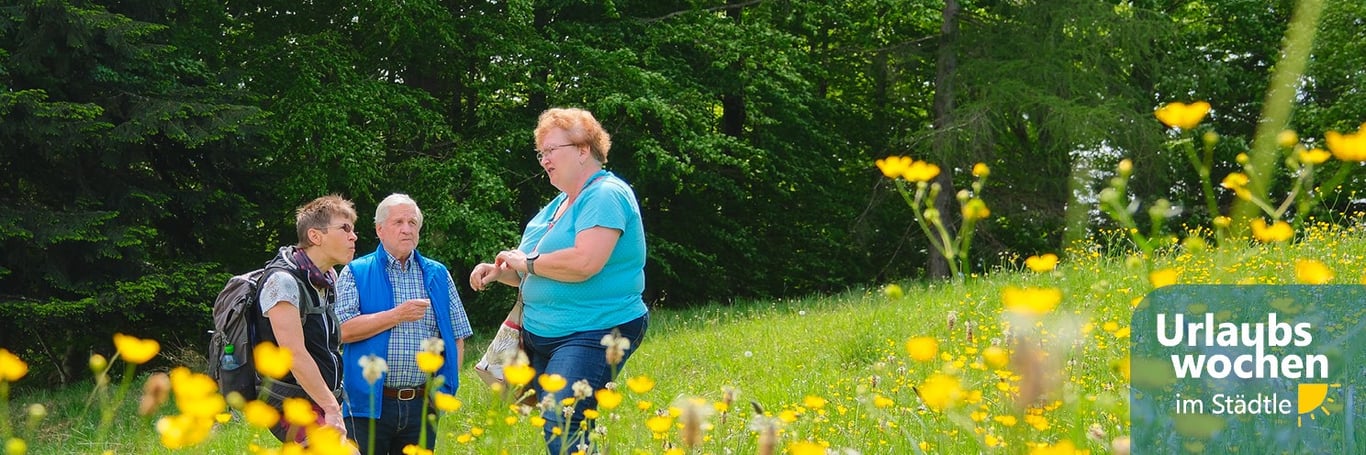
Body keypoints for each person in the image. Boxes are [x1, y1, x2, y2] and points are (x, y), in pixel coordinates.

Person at [469, 107, 649, 454]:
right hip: (541, 334)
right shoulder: (557, 205)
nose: (544, 160)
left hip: (594, 329)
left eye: (552, 150)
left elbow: (585, 262)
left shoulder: (605, 194)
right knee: (562, 423)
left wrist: (528, 263)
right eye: (541, 153)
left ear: (584, 150)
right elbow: (534, 269)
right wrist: (500, 272)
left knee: (561, 419)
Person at [336, 194, 473, 454]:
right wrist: (396, 315)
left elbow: (457, 335)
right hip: (368, 405)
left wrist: (443, 391)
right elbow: (343, 331)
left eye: (413, 222)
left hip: (421, 404)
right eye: (398, 221)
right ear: (380, 230)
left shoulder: (437, 274)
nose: (407, 229)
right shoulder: (355, 272)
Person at [256, 194, 357, 444]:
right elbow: (294, 354)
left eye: (353, 229)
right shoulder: (283, 281)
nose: (353, 236)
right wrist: (332, 408)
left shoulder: (326, 278)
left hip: (320, 398)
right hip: (290, 401)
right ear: (315, 236)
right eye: (344, 228)